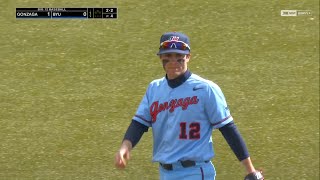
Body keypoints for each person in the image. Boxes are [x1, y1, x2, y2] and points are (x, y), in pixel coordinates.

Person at [114, 32, 264, 180]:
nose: (173, 61)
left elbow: (228, 128)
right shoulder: (154, 88)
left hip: (195, 172)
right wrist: (125, 146)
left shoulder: (206, 89)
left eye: (179, 57)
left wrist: (250, 170)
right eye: (168, 56)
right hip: (165, 172)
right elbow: (139, 123)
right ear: (160, 57)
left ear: (188, 57)